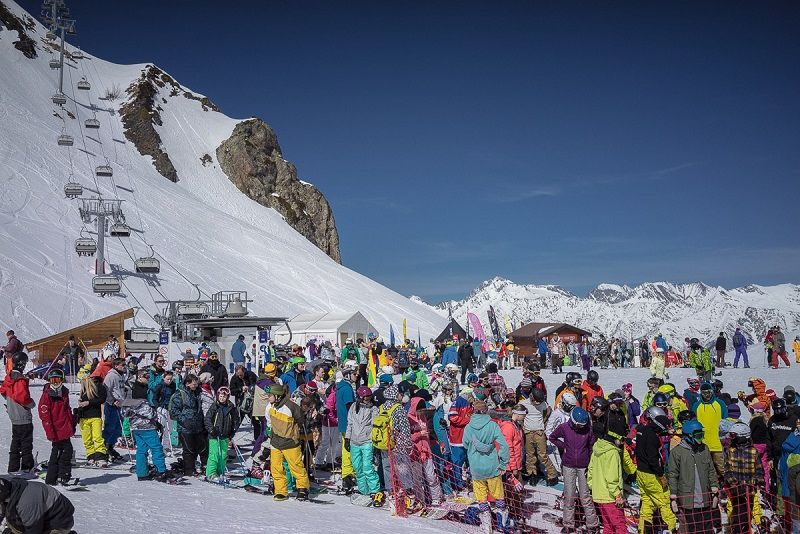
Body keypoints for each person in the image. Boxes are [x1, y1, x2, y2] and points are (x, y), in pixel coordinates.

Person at [462, 398, 510, 533]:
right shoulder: (493, 425)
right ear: (486, 411)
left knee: (481, 498)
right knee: (499, 496)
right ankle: (501, 524)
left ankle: (487, 526)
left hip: (476, 468)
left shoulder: (468, 427)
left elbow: (465, 444)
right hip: (492, 467)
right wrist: (503, 464)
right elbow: (504, 446)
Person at [549, 407, 600, 532]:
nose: (580, 427)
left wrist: (590, 461)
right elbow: (552, 437)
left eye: (582, 425)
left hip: (583, 466)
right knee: (569, 495)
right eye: (578, 425)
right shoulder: (564, 427)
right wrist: (563, 446)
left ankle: (592, 524)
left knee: (585, 496)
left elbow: (592, 445)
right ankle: (568, 524)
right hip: (568, 465)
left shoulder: (588, 430)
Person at [668, 419, 719, 533]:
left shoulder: (704, 449)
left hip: (705, 497)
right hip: (688, 499)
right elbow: (672, 474)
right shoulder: (677, 452)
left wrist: (714, 486)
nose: (701, 438)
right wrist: (673, 494)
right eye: (698, 436)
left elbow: (711, 470)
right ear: (689, 436)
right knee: (692, 528)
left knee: (707, 526)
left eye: (702, 435)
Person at [121, 369, 172, 482]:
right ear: (139, 378)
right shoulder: (139, 390)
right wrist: (154, 414)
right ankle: (161, 471)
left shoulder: (132, 391)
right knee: (156, 448)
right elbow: (147, 411)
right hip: (146, 426)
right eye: (146, 377)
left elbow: (125, 411)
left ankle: (142, 473)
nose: (148, 379)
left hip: (136, 426)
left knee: (142, 449)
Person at [264, 383, 311, 501]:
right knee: (276, 467)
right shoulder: (269, 407)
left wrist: (295, 432)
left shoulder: (291, 407)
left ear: (277, 396)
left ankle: (302, 488)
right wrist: (269, 430)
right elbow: (269, 422)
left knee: (296, 466)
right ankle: (281, 491)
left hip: (290, 442)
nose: (268, 397)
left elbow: (300, 420)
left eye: (270, 395)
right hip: (275, 442)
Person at [635, 406, 676, 533]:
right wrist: (661, 475)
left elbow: (654, 430)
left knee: (647, 503)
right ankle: (671, 528)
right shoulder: (653, 437)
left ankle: (643, 530)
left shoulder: (641, 430)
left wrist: (667, 432)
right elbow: (653, 458)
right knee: (663, 501)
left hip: (641, 473)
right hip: (651, 474)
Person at [724, 422, 764, 534]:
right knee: (737, 513)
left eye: (733, 435)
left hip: (749, 490)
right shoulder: (730, 450)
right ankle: (737, 530)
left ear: (741, 437)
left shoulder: (753, 451)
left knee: (748, 513)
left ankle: (746, 529)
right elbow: (727, 469)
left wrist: (758, 482)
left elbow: (759, 470)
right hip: (736, 490)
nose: (731, 438)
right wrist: (733, 483)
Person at [345, 386, 382, 505]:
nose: (368, 400)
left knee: (367, 467)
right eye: (365, 398)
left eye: (369, 397)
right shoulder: (353, 407)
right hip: (354, 441)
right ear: (360, 397)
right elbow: (350, 423)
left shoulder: (373, 408)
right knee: (357, 468)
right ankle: (363, 490)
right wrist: (347, 438)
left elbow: (375, 425)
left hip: (367, 441)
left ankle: (375, 490)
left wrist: (374, 441)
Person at [37, 369, 74, 486]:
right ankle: (56, 477)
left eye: (57, 379)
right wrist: (50, 432)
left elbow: (67, 410)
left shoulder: (64, 392)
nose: (55, 382)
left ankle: (59, 476)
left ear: (61, 380)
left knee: (65, 452)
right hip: (56, 430)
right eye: (53, 380)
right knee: (59, 453)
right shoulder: (47, 395)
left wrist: (72, 423)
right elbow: (45, 416)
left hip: (64, 428)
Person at [0, 352, 35, 474]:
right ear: (22, 364)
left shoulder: (9, 377)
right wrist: (31, 403)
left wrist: (11, 404)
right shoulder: (20, 380)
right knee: (26, 443)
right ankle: (27, 467)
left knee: (16, 442)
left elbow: (3, 390)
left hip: (14, 416)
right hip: (23, 416)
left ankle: (13, 467)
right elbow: (21, 397)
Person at [0, 477, 75, 534]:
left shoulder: (26, 503)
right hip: (39, 515)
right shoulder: (10, 490)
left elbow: (34, 529)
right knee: (12, 519)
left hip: (59, 520)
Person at [587, 431, 627, 534]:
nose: (621, 443)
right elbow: (611, 477)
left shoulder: (597, 449)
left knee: (608, 525)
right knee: (619, 525)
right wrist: (617, 494)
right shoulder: (612, 452)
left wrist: (593, 487)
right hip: (610, 497)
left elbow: (590, 471)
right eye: (621, 440)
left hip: (599, 496)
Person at [168, 374, 208, 477]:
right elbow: (173, 412)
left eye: (196, 383)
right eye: (193, 384)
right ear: (187, 383)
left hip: (198, 426)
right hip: (185, 428)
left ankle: (205, 467)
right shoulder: (179, 394)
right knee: (189, 450)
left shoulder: (198, 392)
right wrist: (184, 420)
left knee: (203, 448)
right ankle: (189, 470)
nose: (195, 385)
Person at [520, 387, 558, 485]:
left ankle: (552, 475)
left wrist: (544, 421)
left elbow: (549, 410)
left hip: (539, 432)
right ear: (531, 397)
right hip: (528, 432)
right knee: (530, 455)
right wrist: (522, 425)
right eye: (536, 402)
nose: (537, 404)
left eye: (539, 402)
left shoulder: (543, 403)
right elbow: (518, 414)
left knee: (543, 455)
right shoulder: (524, 403)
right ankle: (532, 474)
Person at [692, 382, 728, 476]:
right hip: (703, 444)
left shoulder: (720, 403)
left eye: (709, 392)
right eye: (704, 393)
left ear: (712, 392)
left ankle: (726, 484)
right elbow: (693, 423)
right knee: (706, 471)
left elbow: (726, 422)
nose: (707, 395)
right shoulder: (696, 406)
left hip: (718, 444)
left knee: (722, 469)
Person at [204, 386, 239, 482]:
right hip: (214, 436)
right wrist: (211, 430)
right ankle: (211, 473)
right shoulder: (214, 406)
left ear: (227, 397)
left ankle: (220, 472)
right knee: (214, 454)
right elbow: (207, 419)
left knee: (223, 455)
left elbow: (236, 420)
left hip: (225, 435)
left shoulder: (231, 407)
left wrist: (232, 431)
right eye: (220, 396)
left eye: (224, 396)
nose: (222, 398)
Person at [77, 376, 109, 466]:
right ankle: (91, 456)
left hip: (95, 416)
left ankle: (101, 457)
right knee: (87, 439)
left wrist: (89, 402)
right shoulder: (83, 389)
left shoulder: (98, 386)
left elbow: (102, 399)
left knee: (97, 437)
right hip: (83, 417)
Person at [336, 365, 357, 494]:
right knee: (349, 450)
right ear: (348, 375)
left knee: (346, 449)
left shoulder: (341, 387)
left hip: (344, 423)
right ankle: (348, 475)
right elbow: (350, 407)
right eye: (354, 374)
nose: (356, 376)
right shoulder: (347, 389)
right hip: (349, 424)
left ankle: (347, 474)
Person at [102, 358, 128, 461]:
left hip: (120, 404)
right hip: (112, 405)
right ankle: (103, 448)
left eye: (124, 365)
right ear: (116, 366)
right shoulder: (111, 376)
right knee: (110, 427)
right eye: (122, 365)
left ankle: (110, 447)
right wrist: (112, 400)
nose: (124, 367)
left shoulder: (121, 375)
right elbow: (106, 389)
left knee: (118, 428)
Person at [229, 364, 259, 438]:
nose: (240, 376)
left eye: (241, 375)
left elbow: (258, 383)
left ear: (244, 371)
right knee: (236, 422)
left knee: (256, 422)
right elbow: (232, 392)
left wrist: (251, 388)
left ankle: (257, 439)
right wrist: (240, 389)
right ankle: (229, 438)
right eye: (238, 375)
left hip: (251, 402)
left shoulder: (250, 375)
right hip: (241, 403)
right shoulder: (234, 378)